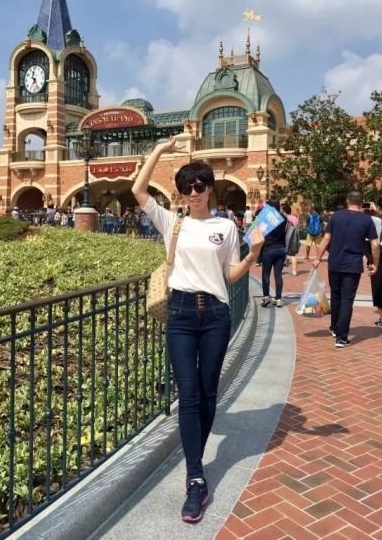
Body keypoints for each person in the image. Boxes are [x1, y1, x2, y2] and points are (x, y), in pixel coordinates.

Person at [132, 136, 263, 524]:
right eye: (187, 187)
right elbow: (138, 190)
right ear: (181, 192)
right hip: (182, 315)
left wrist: (254, 256)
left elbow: (230, 274)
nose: (194, 192)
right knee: (188, 394)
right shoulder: (172, 222)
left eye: (200, 185)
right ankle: (195, 477)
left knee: (207, 394)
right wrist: (160, 150)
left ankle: (195, 459)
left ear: (210, 189)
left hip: (216, 316)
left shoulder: (226, 227)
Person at [313, 190, 379, 348]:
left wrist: (317, 258)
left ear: (348, 201)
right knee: (347, 300)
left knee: (335, 296)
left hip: (335, 262)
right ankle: (341, 337)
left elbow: (326, 239)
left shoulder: (336, 217)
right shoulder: (367, 220)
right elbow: (375, 245)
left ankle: (335, 328)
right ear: (361, 202)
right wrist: (375, 264)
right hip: (353, 265)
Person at [260, 199, 287, 308]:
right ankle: (278, 299)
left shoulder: (265, 217)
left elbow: (259, 231)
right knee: (278, 274)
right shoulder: (283, 218)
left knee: (266, 274)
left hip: (268, 248)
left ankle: (266, 297)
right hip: (281, 248)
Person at [369, 197, 382, 328]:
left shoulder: (376, 220)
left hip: (380, 258)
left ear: (379, 207)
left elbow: (373, 243)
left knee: (379, 286)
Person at [282, 203, 300, 276]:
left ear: (284, 210)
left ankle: (280, 270)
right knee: (293, 255)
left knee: (282, 254)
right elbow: (298, 227)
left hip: (285, 237)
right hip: (294, 238)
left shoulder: (284, 217)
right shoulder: (295, 218)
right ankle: (294, 271)